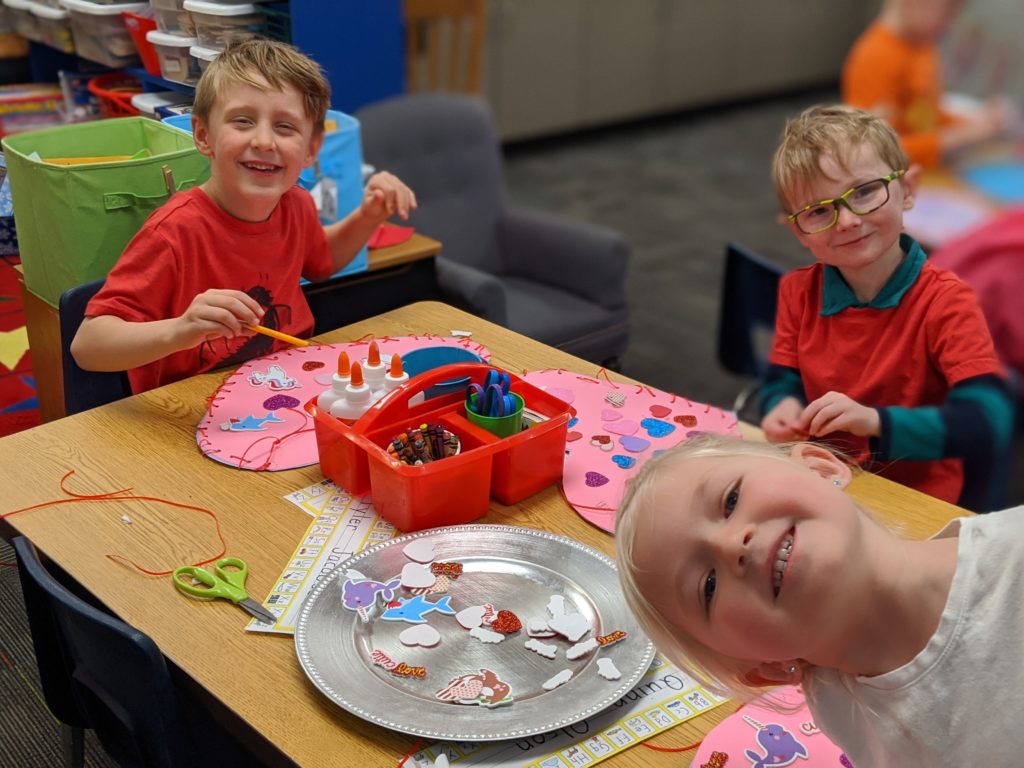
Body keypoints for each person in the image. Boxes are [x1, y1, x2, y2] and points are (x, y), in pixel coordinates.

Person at [616, 433, 1024, 765]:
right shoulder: (833, 701)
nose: (730, 544)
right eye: (707, 586)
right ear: (765, 670)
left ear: (821, 465)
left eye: (732, 500)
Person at [71, 38, 416, 393]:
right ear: (203, 136)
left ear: (311, 149)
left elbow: (322, 263)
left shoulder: (294, 203)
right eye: (243, 121)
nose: (265, 141)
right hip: (192, 407)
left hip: (287, 386)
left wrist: (369, 215)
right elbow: (88, 346)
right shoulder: (172, 232)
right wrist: (180, 329)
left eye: (285, 127)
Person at [760, 104, 1011, 511]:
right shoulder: (797, 292)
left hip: (915, 499)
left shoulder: (946, 302)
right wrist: (781, 406)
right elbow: (780, 380)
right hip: (826, 481)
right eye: (819, 211)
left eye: (864, 192)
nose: (846, 221)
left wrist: (875, 422)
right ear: (798, 231)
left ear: (908, 190)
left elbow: (989, 421)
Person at [841, 0, 1012, 169]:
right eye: (947, 13)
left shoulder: (924, 46)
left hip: (932, 169)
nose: (949, 25)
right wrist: (960, 137)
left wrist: (975, 123)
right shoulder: (874, 57)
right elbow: (877, 151)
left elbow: (927, 114)